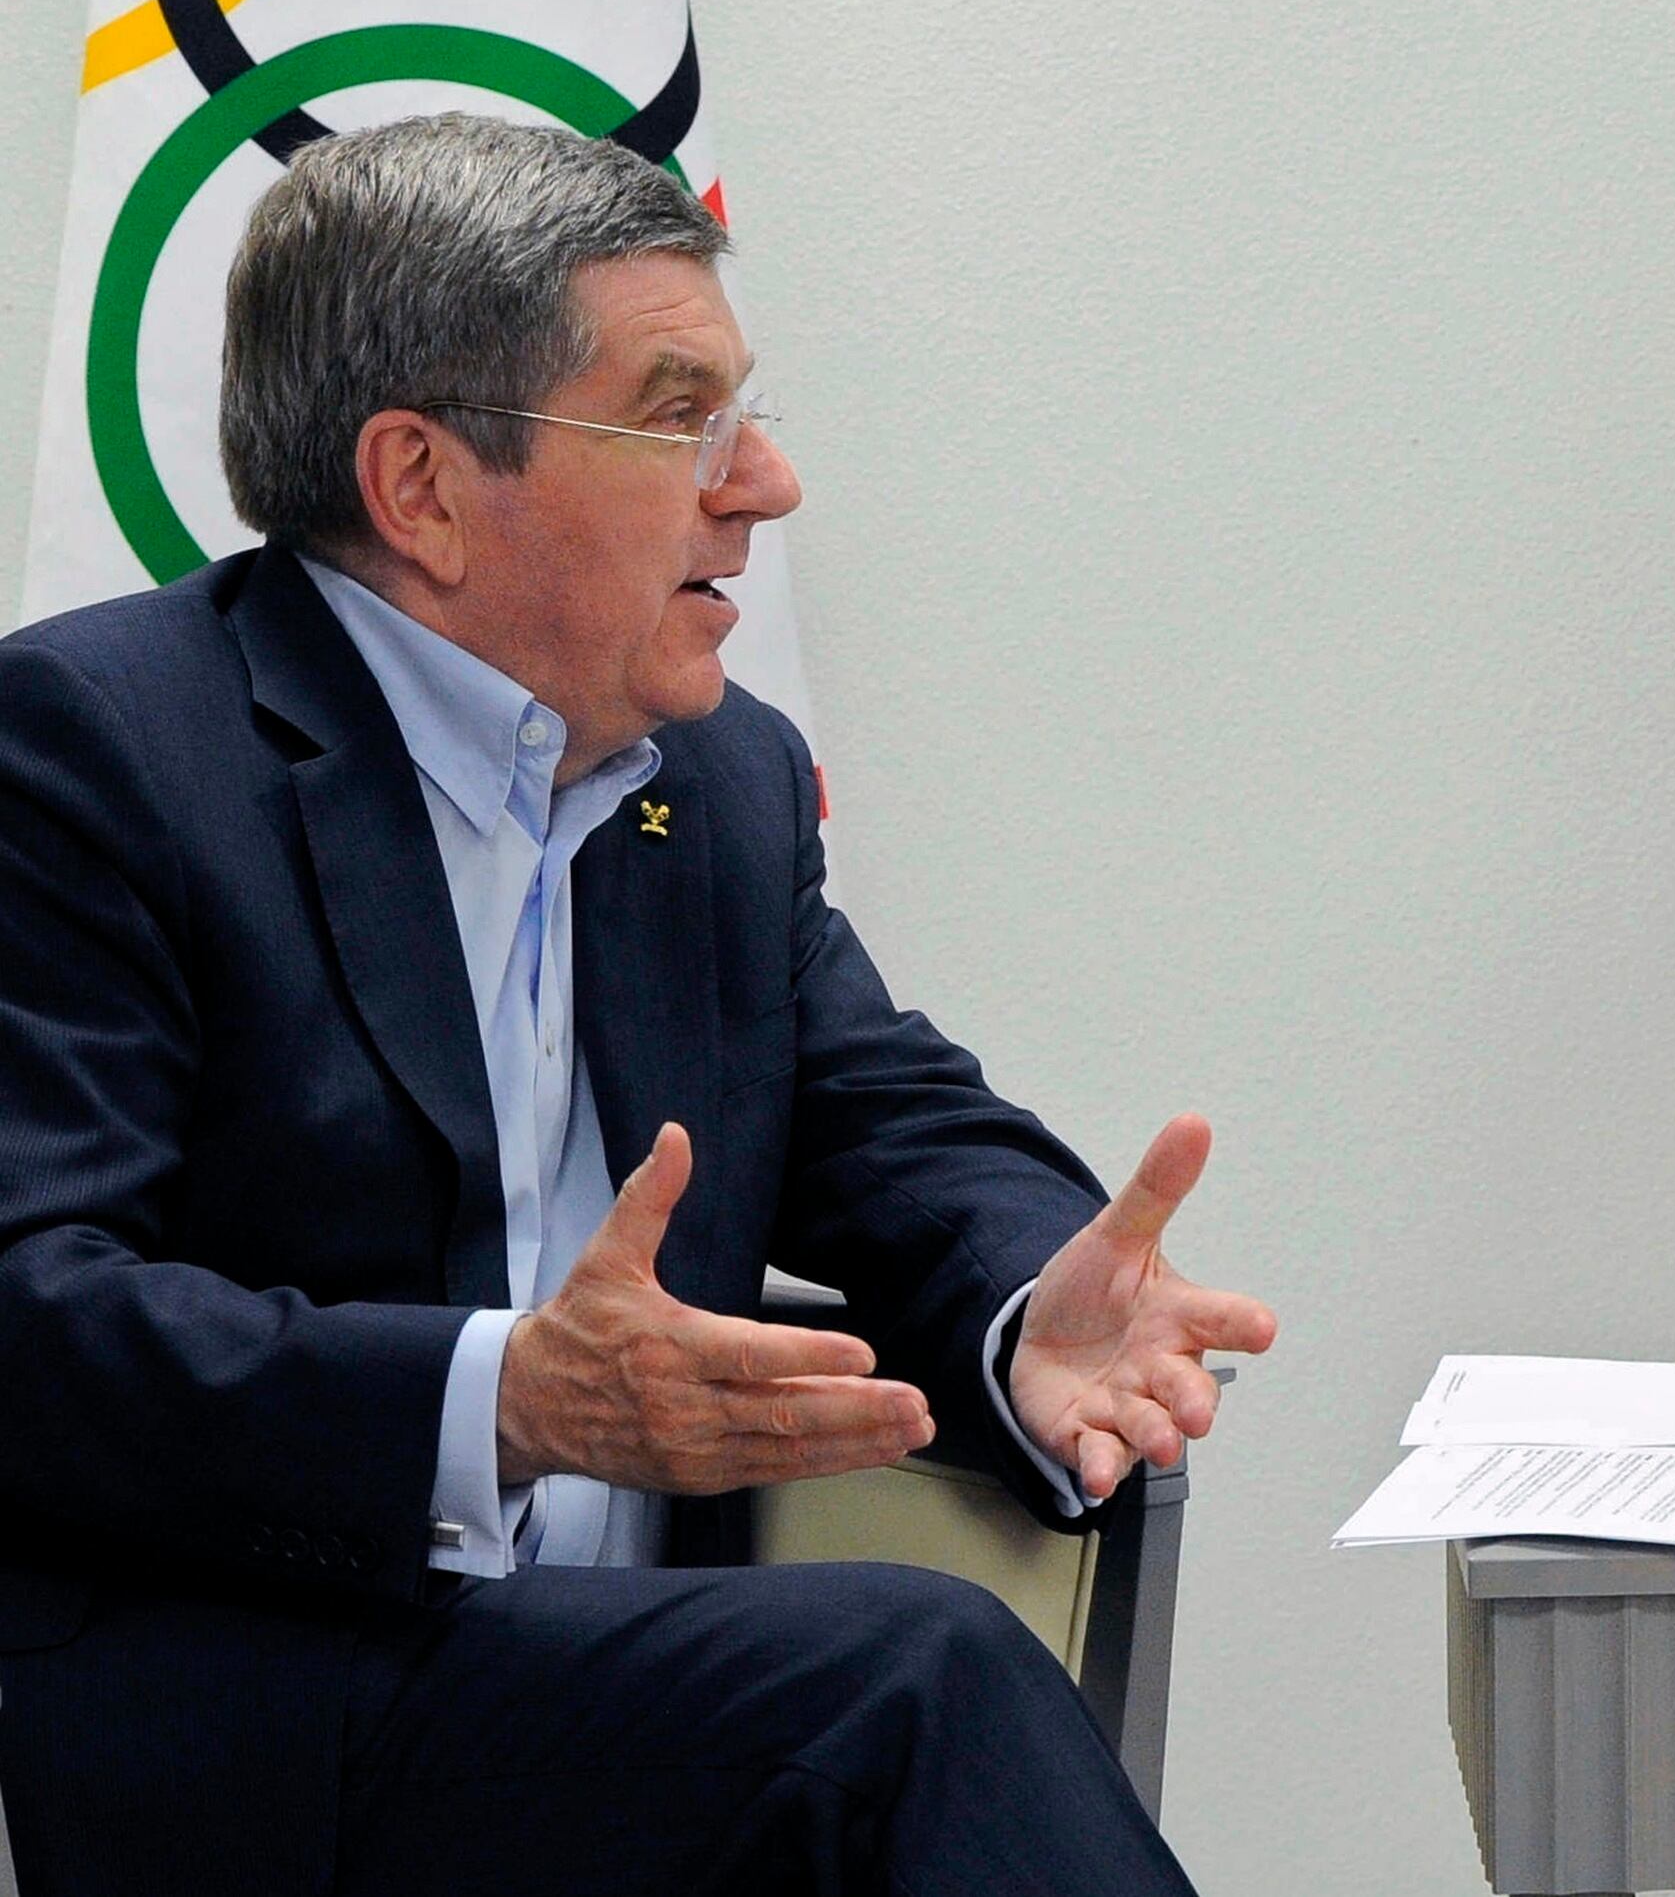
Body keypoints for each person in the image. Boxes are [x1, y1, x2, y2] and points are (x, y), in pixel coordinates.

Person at [0, 115, 1277, 1891]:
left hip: (612, 1708)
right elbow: (33, 1312)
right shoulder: (96, 751)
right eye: (682, 419)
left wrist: (1025, 1306)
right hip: (252, 1710)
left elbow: (886, 1117)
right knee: (905, 1681)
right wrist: (501, 1402)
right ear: (423, 485)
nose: (764, 485)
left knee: (881, 1701)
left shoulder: (715, 781)